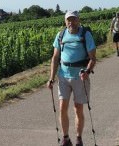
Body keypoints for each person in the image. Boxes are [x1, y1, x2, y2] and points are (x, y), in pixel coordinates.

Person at [47, 10, 97, 146]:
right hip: (63, 76)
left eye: (73, 19)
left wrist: (87, 71)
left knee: (78, 108)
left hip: (80, 77)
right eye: (68, 20)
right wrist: (51, 78)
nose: (71, 22)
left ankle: (79, 138)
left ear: (78, 20)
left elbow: (93, 58)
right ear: (65, 21)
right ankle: (65, 138)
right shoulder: (60, 35)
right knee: (62, 106)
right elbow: (55, 58)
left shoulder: (85, 34)